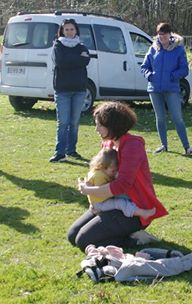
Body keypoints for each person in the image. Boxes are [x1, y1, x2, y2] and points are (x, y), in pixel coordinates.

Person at [68, 101, 167, 250]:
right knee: (72, 235)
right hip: (109, 203)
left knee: (83, 241)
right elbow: (99, 170)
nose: (96, 129)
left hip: (133, 209)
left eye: (100, 125)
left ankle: (135, 239)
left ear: (113, 126)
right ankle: (122, 234)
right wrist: (93, 200)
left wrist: (89, 191)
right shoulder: (108, 144)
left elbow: (122, 185)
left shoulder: (133, 146)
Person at [140, 21, 192, 155]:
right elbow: (144, 67)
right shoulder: (153, 48)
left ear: (170, 35)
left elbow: (184, 69)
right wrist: (150, 75)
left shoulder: (178, 49)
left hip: (171, 89)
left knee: (177, 117)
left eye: (164, 35)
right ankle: (163, 145)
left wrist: (172, 76)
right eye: (160, 35)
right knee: (160, 118)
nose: (162, 38)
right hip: (154, 89)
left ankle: (187, 147)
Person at [50, 18, 90, 163]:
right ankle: (59, 152)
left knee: (74, 122)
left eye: (72, 29)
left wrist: (71, 59)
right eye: (66, 29)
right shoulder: (57, 46)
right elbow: (61, 62)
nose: (69, 32)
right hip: (62, 91)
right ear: (62, 31)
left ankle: (71, 150)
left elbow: (86, 60)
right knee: (63, 122)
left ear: (76, 30)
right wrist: (76, 59)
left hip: (79, 90)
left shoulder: (82, 46)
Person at [81, 148, 156, 218]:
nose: (114, 173)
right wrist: (115, 180)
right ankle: (141, 213)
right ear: (103, 166)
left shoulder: (97, 172)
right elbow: (102, 192)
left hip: (97, 203)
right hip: (100, 204)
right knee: (120, 203)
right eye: (113, 171)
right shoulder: (99, 176)